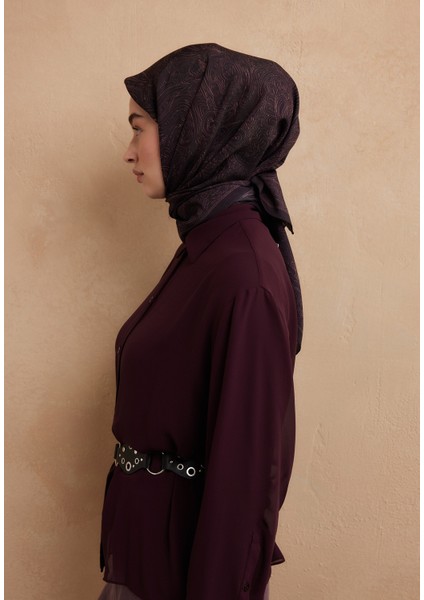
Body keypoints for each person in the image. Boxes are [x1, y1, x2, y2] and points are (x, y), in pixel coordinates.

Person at [97, 42, 303, 600]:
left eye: (139, 128)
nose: (129, 153)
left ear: (198, 129)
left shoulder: (242, 273)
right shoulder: (207, 249)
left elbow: (246, 483)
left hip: (180, 577)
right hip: (146, 560)